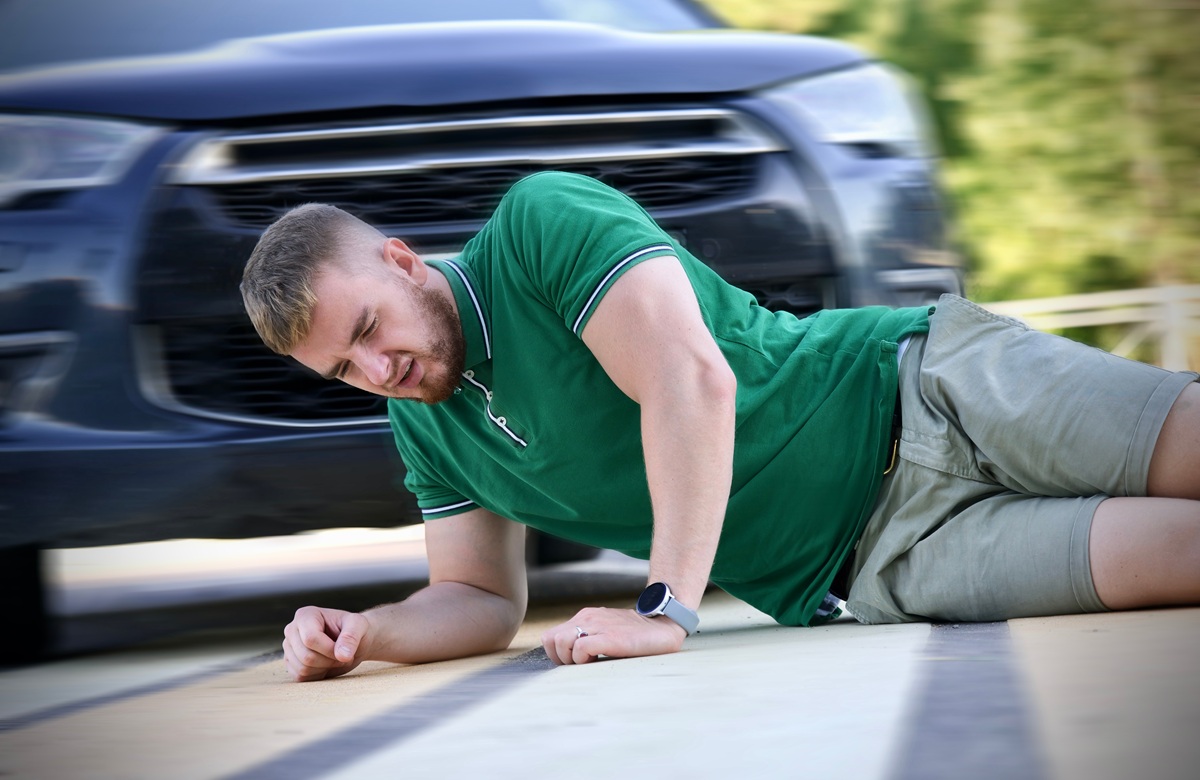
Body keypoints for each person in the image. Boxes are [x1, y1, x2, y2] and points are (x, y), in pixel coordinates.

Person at [241, 171, 1200, 682]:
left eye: (368, 330)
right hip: (889, 563)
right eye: (344, 371)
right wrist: (368, 632)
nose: (379, 372)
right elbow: (480, 598)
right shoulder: (424, 426)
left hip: (922, 386)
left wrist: (665, 609)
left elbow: (689, 379)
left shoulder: (538, 226)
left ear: (402, 261)